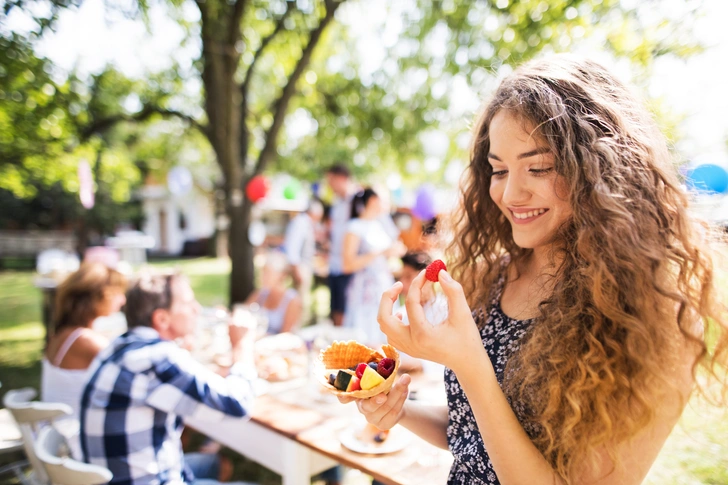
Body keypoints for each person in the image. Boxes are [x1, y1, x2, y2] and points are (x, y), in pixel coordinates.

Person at [341, 55, 727, 485]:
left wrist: (470, 363)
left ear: (602, 170)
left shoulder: (655, 317)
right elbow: (475, 433)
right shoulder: (495, 276)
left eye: (538, 167)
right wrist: (400, 411)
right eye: (499, 170)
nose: (511, 192)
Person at [80, 271, 257, 485]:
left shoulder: (119, 346)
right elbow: (238, 405)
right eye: (188, 303)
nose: (197, 309)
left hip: (115, 476)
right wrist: (242, 345)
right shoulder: (157, 359)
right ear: (162, 318)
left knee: (214, 463)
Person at [42, 262, 127, 419]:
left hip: (58, 429)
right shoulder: (85, 341)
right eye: (117, 293)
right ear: (98, 297)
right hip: (72, 435)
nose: (123, 300)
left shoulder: (62, 333)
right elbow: (130, 376)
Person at [341, 187, 402, 346]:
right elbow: (347, 264)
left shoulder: (378, 224)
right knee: (364, 338)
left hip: (382, 285)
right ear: (373, 201)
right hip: (364, 291)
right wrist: (379, 253)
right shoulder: (354, 227)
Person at [325, 163, 356, 327]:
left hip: (350, 265)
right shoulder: (336, 203)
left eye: (332, 180)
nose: (330, 185)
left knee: (347, 307)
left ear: (342, 178)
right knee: (335, 307)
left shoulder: (358, 201)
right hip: (335, 263)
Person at [283, 199, 323, 324]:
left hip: (304, 267)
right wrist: (297, 270)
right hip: (300, 268)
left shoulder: (305, 223)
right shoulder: (300, 223)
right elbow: (292, 249)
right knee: (298, 303)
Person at [245, 251, 303, 334]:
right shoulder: (260, 293)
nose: (262, 277)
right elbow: (242, 313)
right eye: (262, 272)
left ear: (282, 275)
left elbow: (286, 335)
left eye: (267, 273)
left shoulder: (293, 300)